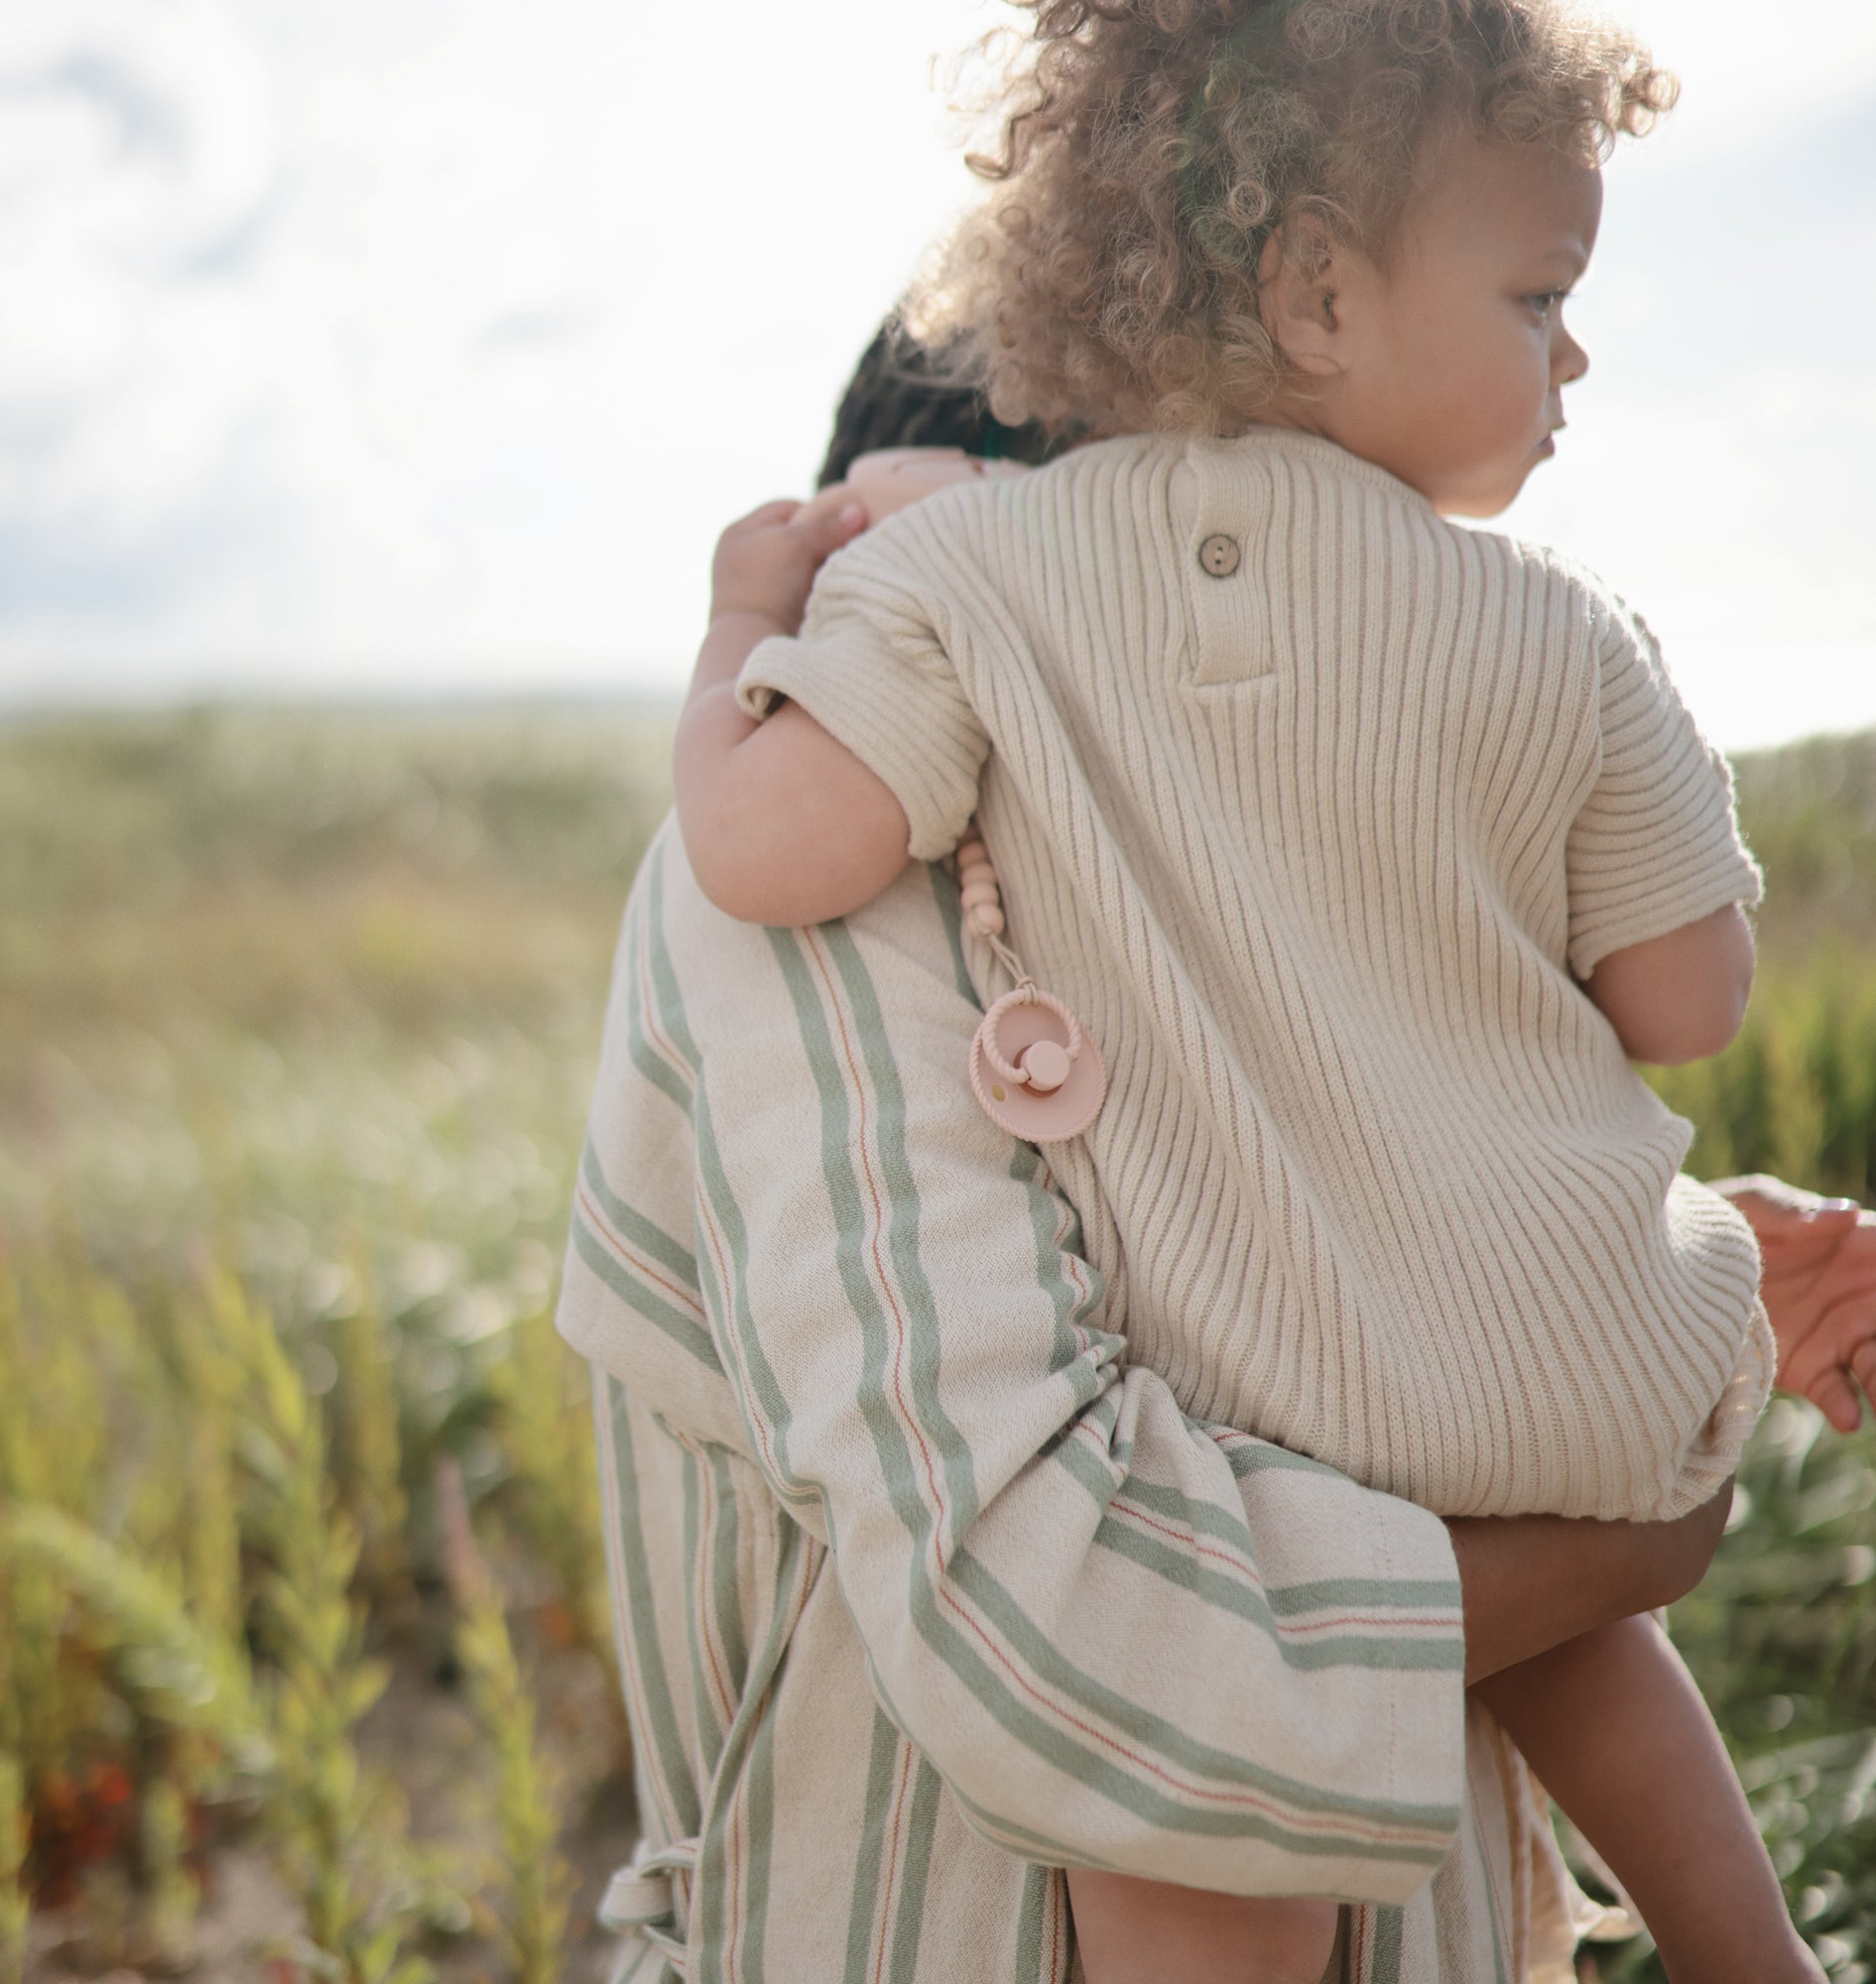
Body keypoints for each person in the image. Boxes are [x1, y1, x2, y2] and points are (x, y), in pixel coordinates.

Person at [668, 2, 1863, 1977]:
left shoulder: (969, 578)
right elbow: (1690, 999)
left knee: (1203, 1810)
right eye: (1539, 295)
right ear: (1312, 288)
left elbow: (758, 851)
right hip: (1560, 1371)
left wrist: (740, 633)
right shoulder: (1571, 631)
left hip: (1245, 1436)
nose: (1574, 357)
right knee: (1586, 1633)